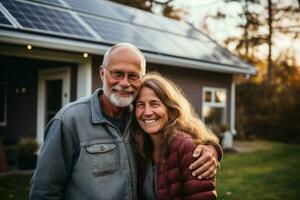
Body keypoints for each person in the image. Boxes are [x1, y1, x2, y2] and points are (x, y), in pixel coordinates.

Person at [30, 43, 222, 200]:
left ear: (141, 79)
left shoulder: (140, 121)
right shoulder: (69, 121)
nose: (124, 83)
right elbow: (43, 192)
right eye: (117, 74)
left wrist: (211, 147)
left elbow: (181, 130)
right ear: (102, 73)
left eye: (133, 76)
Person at [132, 72, 219, 200]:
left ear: (171, 110)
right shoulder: (140, 147)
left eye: (155, 104)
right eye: (140, 105)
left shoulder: (188, 149)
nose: (147, 112)